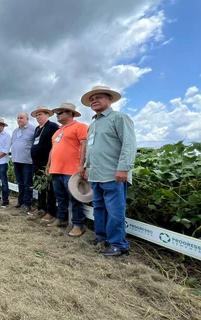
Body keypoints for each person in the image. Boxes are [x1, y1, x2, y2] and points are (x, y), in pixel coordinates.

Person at [81, 85, 137, 257]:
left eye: (99, 97)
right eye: (92, 98)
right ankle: (102, 237)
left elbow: (129, 144)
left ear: (110, 99)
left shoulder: (119, 118)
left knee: (115, 210)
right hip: (96, 174)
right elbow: (91, 148)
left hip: (114, 174)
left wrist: (123, 168)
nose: (94, 100)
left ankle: (119, 245)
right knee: (99, 207)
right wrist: (85, 167)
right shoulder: (92, 124)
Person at [46, 103, 88, 237]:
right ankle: (61, 219)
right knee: (60, 197)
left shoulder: (80, 127)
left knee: (75, 198)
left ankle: (78, 225)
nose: (57, 115)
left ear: (70, 113)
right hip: (56, 169)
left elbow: (84, 146)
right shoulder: (57, 131)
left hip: (72, 170)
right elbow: (53, 149)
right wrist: (49, 165)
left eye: (60, 113)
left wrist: (82, 166)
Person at [28, 106, 59, 221]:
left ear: (47, 115)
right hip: (36, 163)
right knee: (40, 187)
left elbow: (56, 144)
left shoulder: (53, 126)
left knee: (50, 188)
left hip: (47, 163)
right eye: (36, 115)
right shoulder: (37, 129)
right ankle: (41, 207)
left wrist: (50, 162)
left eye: (40, 114)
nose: (38, 117)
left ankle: (50, 212)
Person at [11, 112, 35, 212]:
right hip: (16, 160)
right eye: (18, 118)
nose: (19, 120)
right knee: (20, 183)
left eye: (21, 118)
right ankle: (20, 201)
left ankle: (27, 203)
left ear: (27, 119)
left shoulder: (33, 129)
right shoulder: (15, 131)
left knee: (27, 183)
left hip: (27, 161)